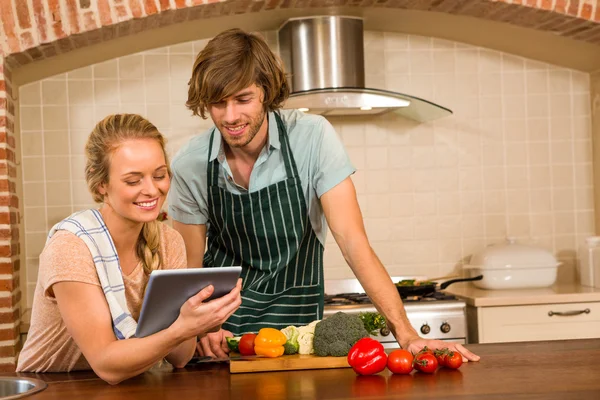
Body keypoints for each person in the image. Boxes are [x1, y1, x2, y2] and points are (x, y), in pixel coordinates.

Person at [168, 28, 479, 363]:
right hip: (219, 340)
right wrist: (200, 330)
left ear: (266, 91)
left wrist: (406, 334)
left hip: (294, 339)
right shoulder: (191, 163)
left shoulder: (313, 138)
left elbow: (353, 243)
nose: (229, 117)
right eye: (218, 103)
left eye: (242, 99)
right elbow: (188, 268)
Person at [16, 114, 242, 384]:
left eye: (159, 175)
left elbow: (180, 357)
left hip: (130, 384)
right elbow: (107, 364)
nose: (152, 190)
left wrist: (197, 322)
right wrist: (181, 329)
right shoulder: (71, 246)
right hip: (53, 388)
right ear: (101, 184)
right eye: (133, 181)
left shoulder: (168, 242)